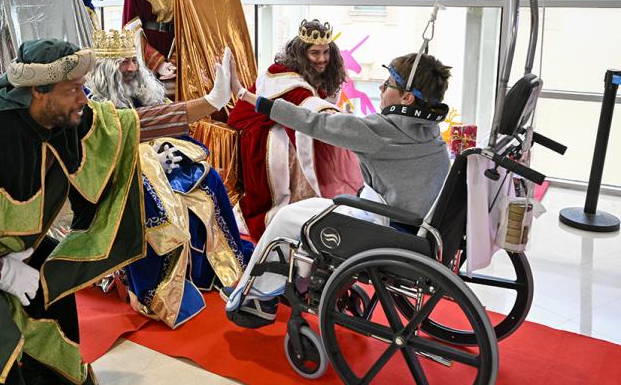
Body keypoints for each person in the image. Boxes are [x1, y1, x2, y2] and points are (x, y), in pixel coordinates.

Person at [0, 37, 235, 384]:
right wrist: (0, 273)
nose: (83, 98)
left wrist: (211, 102)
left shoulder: (62, 116)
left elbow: (131, 125)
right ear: (38, 90)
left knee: (53, 294)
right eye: (73, 89)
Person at [224, 50, 453, 327]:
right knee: (309, 209)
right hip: (414, 230)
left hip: (385, 228)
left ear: (407, 98)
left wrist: (245, 95)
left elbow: (313, 122)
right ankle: (288, 284)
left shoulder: (381, 131)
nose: (381, 89)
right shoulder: (431, 132)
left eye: (388, 84)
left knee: (285, 219)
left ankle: (257, 297)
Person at [86, 27, 252, 327]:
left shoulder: (142, 90)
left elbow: (161, 121)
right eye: (123, 63)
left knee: (208, 179)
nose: (132, 68)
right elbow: (126, 130)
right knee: (154, 200)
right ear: (105, 69)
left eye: (133, 60)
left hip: (158, 163)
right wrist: (146, 159)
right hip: (119, 177)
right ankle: (156, 288)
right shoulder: (91, 105)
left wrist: (165, 150)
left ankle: (215, 265)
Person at [227, 19, 363, 241]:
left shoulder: (321, 73)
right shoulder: (283, 76)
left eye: (326, 52)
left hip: (289, 120)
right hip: (259, 128)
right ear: (301, 53)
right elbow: (305, 109)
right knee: (293, 149)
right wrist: (343, 125)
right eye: (315, 53)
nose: (322, 59)